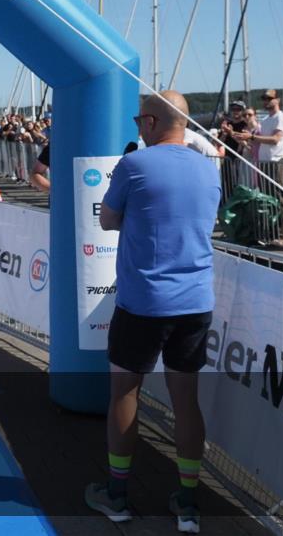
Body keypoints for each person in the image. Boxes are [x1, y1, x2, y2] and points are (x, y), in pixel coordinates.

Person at [86, 90, 220, 535]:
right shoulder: (209, 167)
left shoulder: (134, 164)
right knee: (186, 401)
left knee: (124, 394)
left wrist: (138, 217)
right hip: (195, 301)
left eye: (138, 120)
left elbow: (107, 220)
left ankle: (117, 494)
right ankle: (188, 503)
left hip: (144, 301)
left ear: (150, 122)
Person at [234, 89, 283, 245]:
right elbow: (255, 141)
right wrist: (241, 136)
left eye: (269, 98)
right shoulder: (266, 120)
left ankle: (282, 235)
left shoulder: (280, 118)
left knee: (278, 198)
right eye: (264, 98)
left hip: (276, 161)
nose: (266, 101)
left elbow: (276, 139)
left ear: (277, 100)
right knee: (267, 199)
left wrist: (252, 136)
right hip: (264, 162)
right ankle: (270, 233)